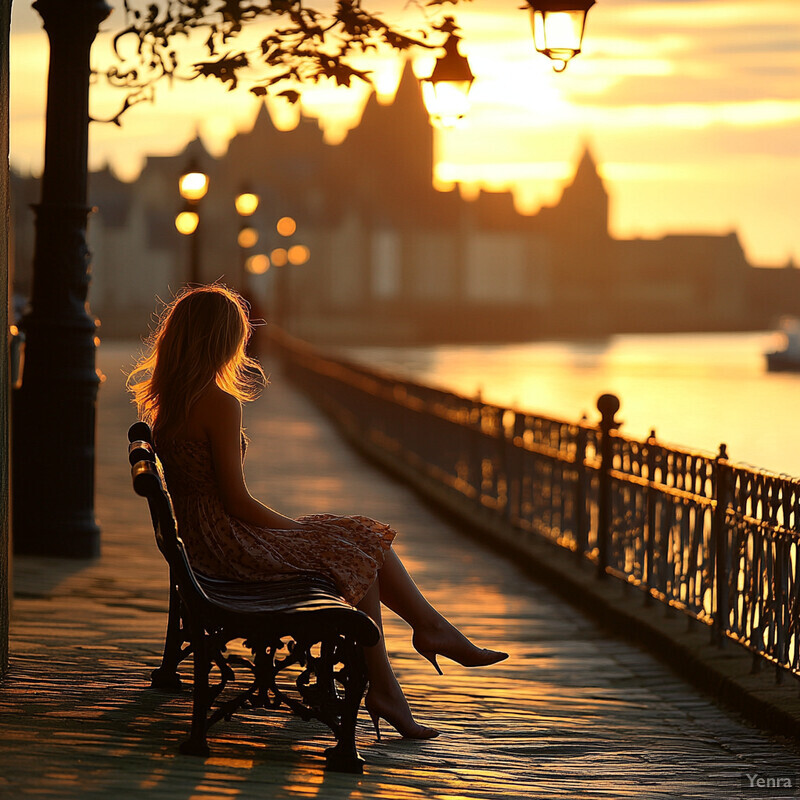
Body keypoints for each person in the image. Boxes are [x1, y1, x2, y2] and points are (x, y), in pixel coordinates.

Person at [128, 284, 507, 740]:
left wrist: (306, 533)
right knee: (345, 545)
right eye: (238, 336)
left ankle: (410, 653)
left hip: (204, 543)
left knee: (354, 535)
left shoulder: (170, 402)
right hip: (225, 547)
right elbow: (236, 500)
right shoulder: (218, 403)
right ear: (221, 341)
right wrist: (297, 532)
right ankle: (409, 655)